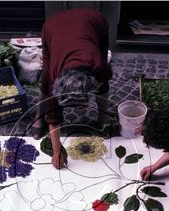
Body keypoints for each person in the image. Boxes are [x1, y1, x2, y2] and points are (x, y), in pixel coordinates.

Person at [31, 8, 113, 169]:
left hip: (93, 21)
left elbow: (105, 79)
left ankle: (103, 119)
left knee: (103, 82)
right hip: (52, 28)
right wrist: (56, 152)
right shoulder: (55, 79)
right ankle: (38, 118)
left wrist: (93, 92)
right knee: (45, 80)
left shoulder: (98, 65)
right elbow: (54, 120)